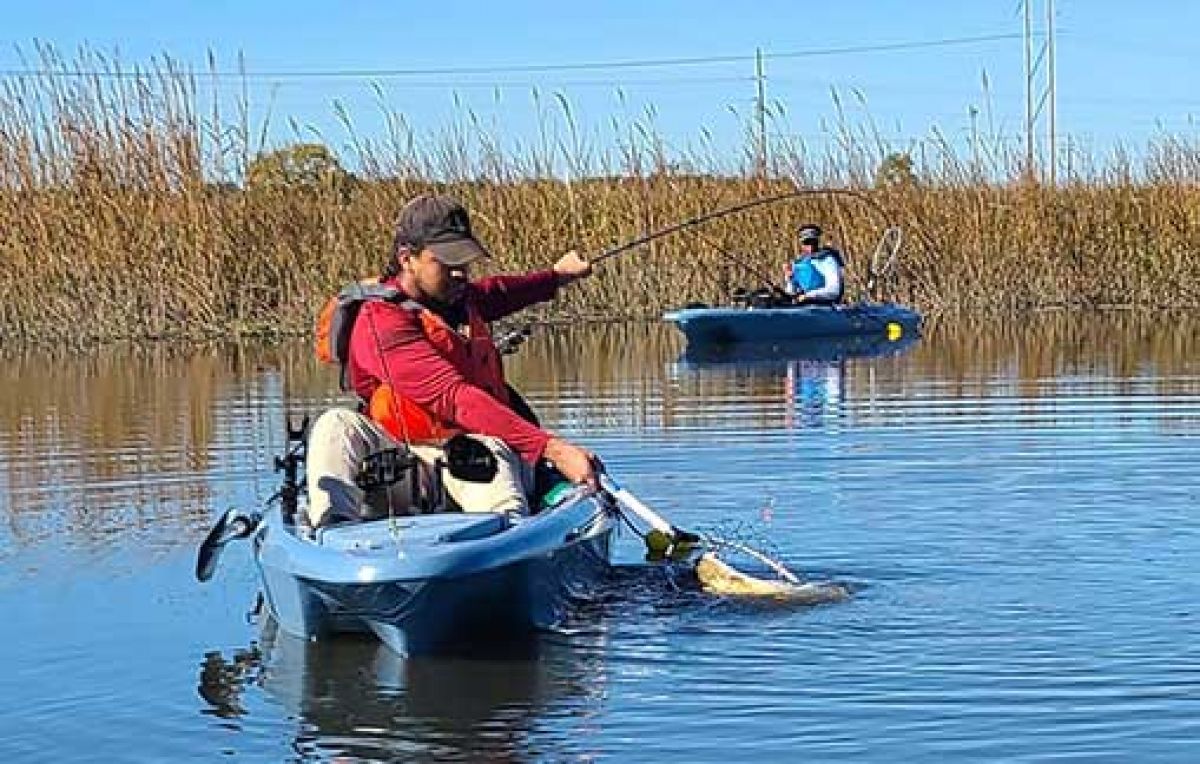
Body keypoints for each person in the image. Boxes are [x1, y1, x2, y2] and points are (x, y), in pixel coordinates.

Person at [306, 193, 600, 528]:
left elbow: (500, 291)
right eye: (447, 262)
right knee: (336, 425)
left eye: (464, 262)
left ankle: (510, 542)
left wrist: (557, 275)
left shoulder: (457, 298)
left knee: (486, 448)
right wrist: (556, 450)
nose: (460, 273)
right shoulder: (379, 321)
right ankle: (333, 530)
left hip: (473, 460)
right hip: (402, 473)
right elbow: (454, 398)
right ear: (407, 259)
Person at [782, 224, 845, 305]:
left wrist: (807, 296)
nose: (811, 247)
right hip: (806, 306)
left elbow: (834, 291)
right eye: (807, 243)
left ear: (818, 242)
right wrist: (789, 279)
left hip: (826, 306)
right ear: (801, 244)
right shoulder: (798, 263)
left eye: (813, 242)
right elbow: (791, 292)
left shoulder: (827, 260)